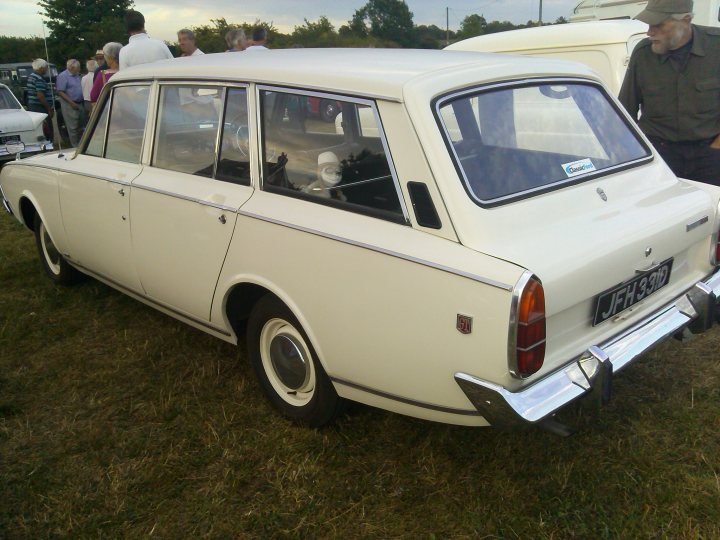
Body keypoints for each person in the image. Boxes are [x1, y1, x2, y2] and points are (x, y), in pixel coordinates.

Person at [618, 0, 720, 185]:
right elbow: (625, 111)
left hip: (710, 156)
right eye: (649, 24)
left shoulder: (717, 47)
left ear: (686, 20)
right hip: (660, 156)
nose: (650, 32)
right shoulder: (642, 54)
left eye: (658, 24)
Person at [56, 59, 87, 146]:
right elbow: (60, 91)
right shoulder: (63, 76)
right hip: (70, 104)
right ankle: (75, 146)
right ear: (71, 68)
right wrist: (71, 103)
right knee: (73, 127)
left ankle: (82, 145)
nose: (79, 69)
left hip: (80, 103)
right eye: (78, 68)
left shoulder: (77, 75)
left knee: (82, 126)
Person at [26, 58, 54, 140]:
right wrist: (49, 109)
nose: (47, 69)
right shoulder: (39, 79)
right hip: (40, 107)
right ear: (41, 68)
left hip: (33, 105)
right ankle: (48, 144)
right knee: (47, 128)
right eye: (46, 67)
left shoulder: (31, 76)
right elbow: (40, 96)